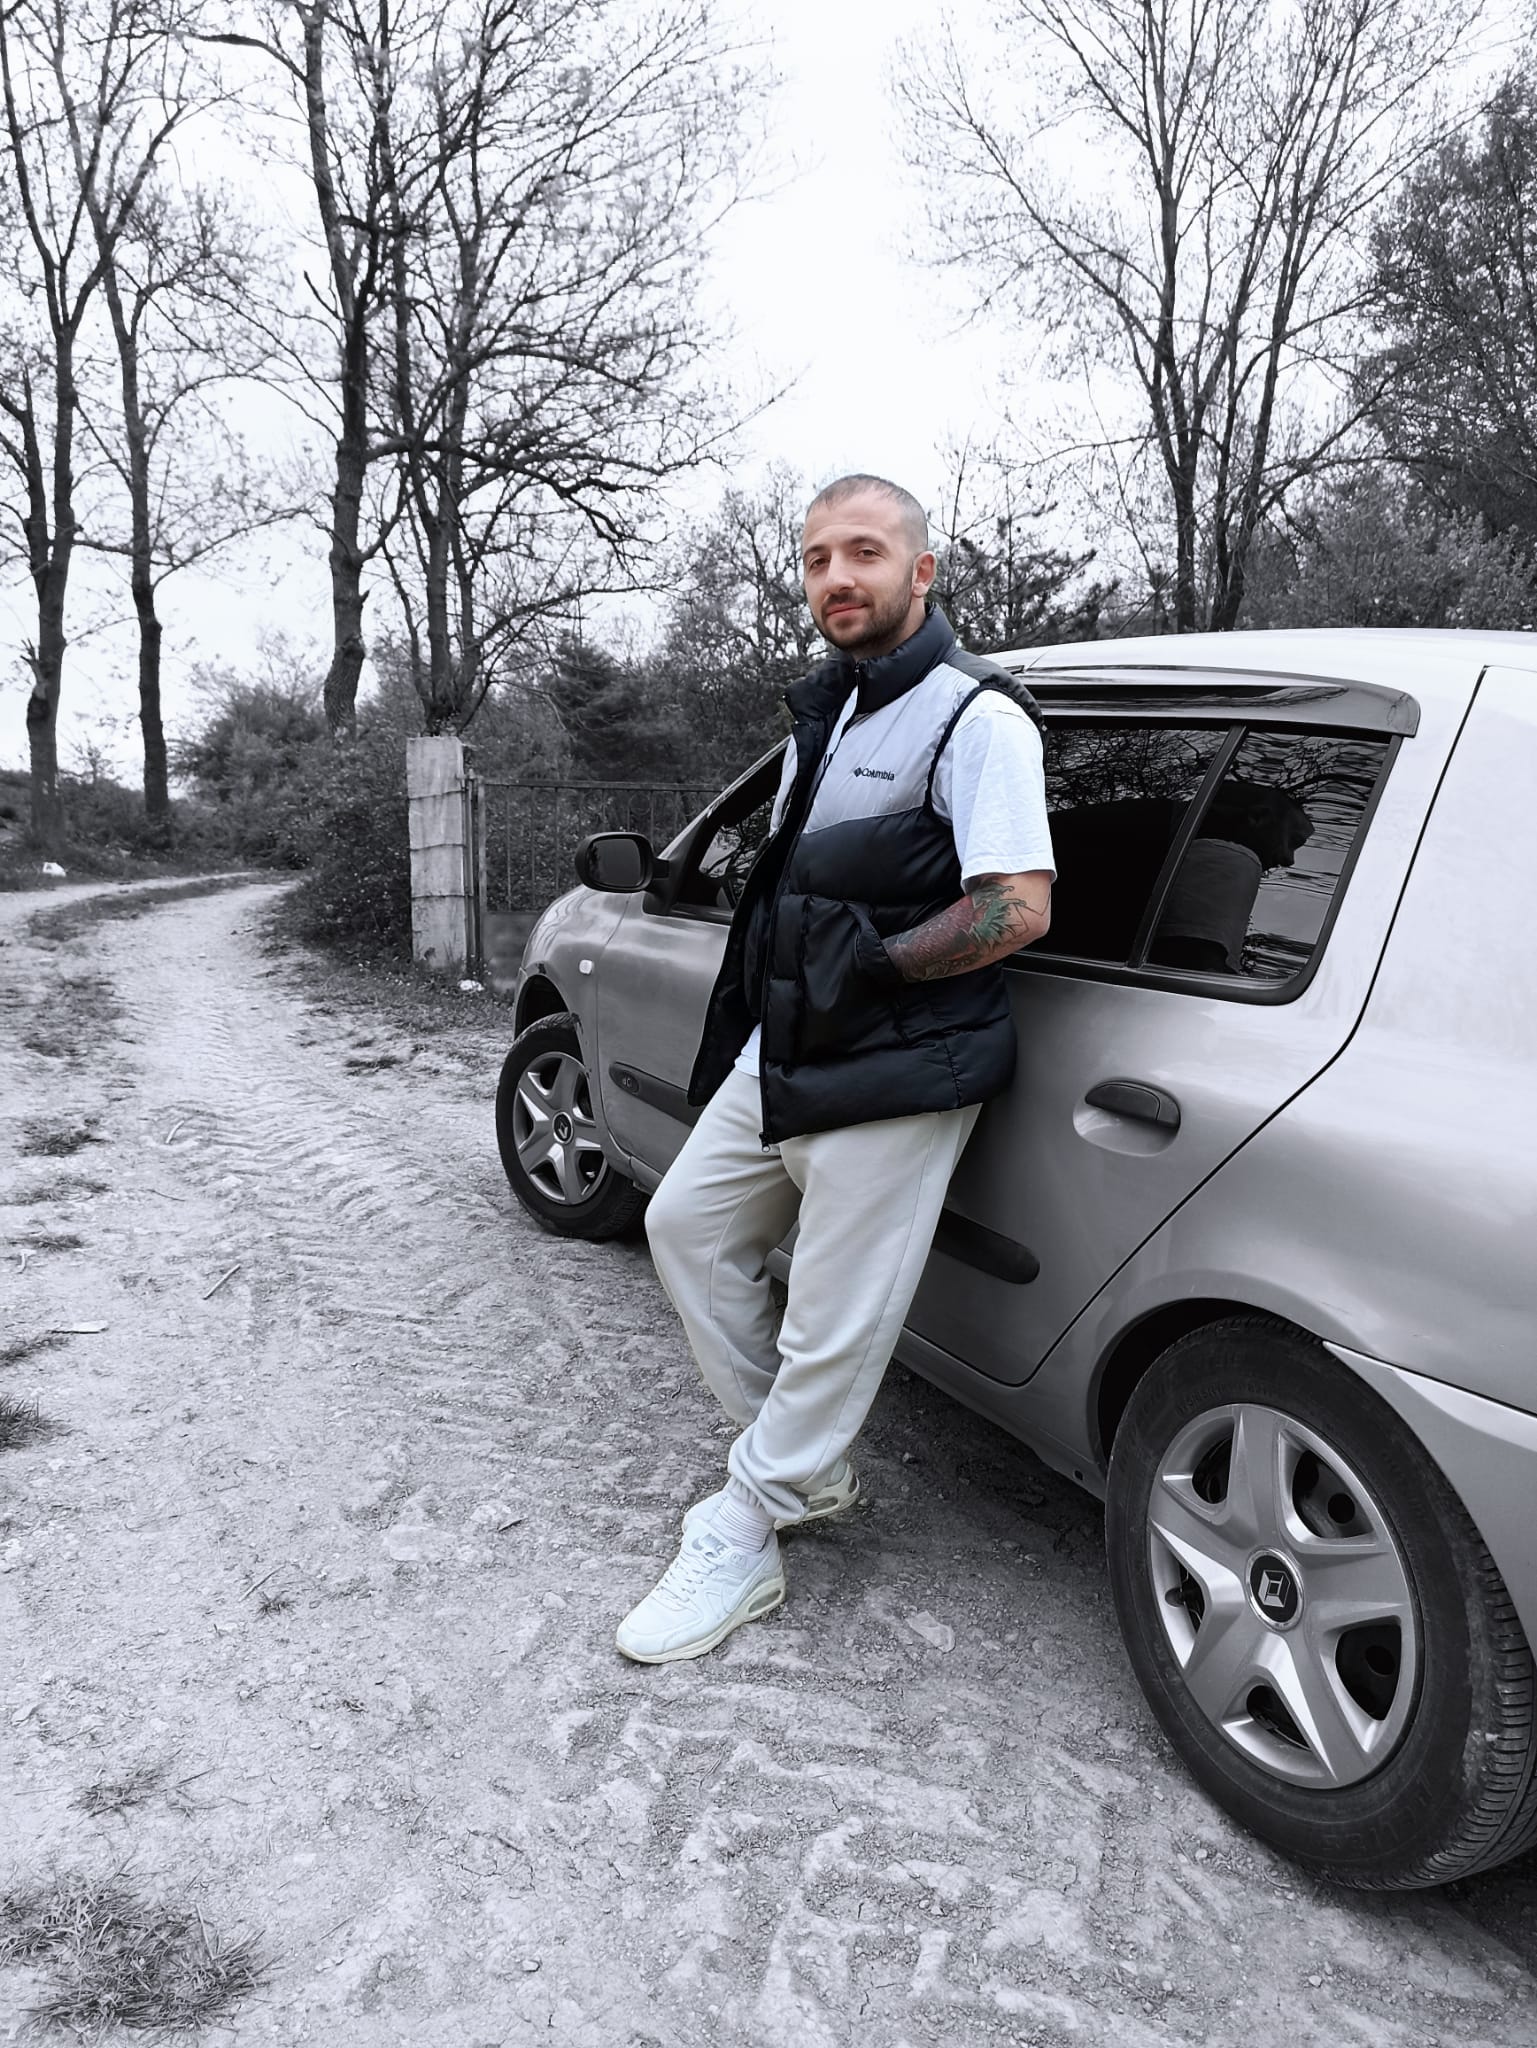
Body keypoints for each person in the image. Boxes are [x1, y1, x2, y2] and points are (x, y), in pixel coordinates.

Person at [615, 474, 1056, 1664]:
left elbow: (1015, 906)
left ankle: (747, 1524)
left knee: (830, 1317)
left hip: (902, 1061)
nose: (835, 577)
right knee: (684, 1227)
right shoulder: (834, 709)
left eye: (863, 551)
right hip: (792, 1043)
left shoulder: (978, 718)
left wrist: (871, 968)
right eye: (815, 558)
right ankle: (803, 1466)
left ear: (922, 570)